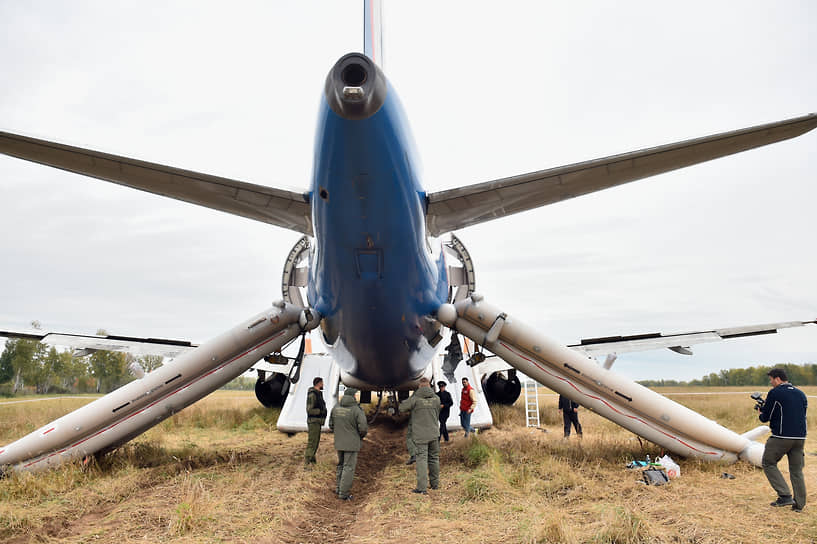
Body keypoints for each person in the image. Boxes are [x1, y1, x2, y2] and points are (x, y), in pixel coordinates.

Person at [757, 368, 807, 512]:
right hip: (800, 438)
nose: (771, 382)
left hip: (781, 437)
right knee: (796, 470)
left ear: (777, 379)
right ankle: (799, 505)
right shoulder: (801, 393)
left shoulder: (775, 392)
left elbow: (766, 417)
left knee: (768, 462)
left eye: (771, 380)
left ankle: (785, 496)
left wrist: (761, 412)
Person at [399, 377, 441, 494]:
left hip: (420, 435)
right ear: (429, 386)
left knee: (421, 460)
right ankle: (435, 484)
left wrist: (412, 396)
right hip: (434, 433)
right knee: (434, 459)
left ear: (419, 386)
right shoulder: (436, 399)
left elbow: (402, 408)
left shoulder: (415, 399)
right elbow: (437, 412)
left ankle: (422, 488)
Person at [328, 387, 368, 500]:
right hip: (351, 443)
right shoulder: (356, 410)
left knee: (340, 465)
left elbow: (331, 425)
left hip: (339, 442)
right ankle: (344, 493)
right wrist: (359, 437)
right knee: (348, 467)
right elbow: (363, 428)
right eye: (356, 394)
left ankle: (339, 488)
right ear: (353, 396)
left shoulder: (336, 408)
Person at [304, 376, 327, 465]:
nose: (323, 384)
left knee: (316, 441)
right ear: (319, 383)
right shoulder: (313, 394)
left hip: (317, 421)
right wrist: (320, 411)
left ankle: (312, 460)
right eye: (322, 382)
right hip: (313, 421)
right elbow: (309, 410)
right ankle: (307, 462)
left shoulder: (318, 393)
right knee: (312, 442)